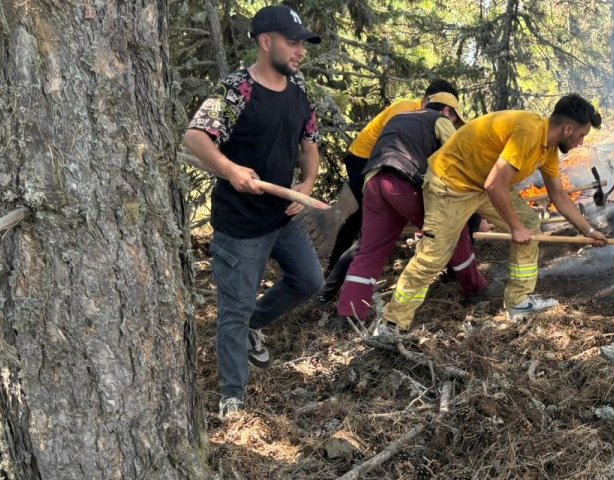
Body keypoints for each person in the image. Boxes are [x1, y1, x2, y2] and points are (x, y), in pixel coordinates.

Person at [183, 5, 324, 418]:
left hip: (282, 217)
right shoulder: (237, 90)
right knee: (234, 308)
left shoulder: (299, 91)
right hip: (240, 224)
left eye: (302, 43)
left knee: (309, 280)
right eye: (292, 42)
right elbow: (195, 137)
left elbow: (310, 146)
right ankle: (233, 397)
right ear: (266, 42)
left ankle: (254, 324)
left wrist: (306, 186)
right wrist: (231, 170)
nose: (300, 51)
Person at [378, 94, 608, 336]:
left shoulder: (548, 147)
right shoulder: (529, 132)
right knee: (433, 256)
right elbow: (495, 185)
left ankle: (518, 302)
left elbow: (558, 195)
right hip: (451, 184)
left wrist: (589, 230)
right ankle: (392, 323)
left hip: (482, 184)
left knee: (530, 225)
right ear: (567, 129)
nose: (580, 142)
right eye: (581, 135)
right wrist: (515, 227)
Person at [319, 79, 496, 305]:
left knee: (370, 248)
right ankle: (476, 289)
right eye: (455, 119)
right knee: (452, 230)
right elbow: (458, 158)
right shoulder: (440, 120)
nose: (454, 123)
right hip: (401, 180)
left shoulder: (402, 117)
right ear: (447, 111)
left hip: (373, 179)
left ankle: (347, 312)